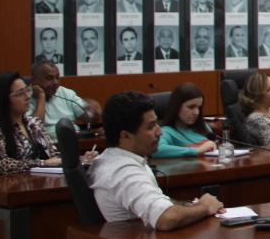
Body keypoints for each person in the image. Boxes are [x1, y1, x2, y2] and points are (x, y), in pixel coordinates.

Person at [88, 91, 224, 230]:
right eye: (151, 126)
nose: (159, 132)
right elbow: (166, 218)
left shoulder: (120, 158)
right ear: (126, 136)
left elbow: (158, 201)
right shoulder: (123, 172)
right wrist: (205, 207)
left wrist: (190, 206)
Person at [0, 72, 66, 174]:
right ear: (4, 99)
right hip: (12, 186)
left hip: (43, 180)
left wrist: (78, 159)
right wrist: (42, 163)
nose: (27, 96)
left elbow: (53, 155)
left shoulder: (34, 123)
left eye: (27, 90)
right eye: (20, 93)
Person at [29, 60, 102, 138]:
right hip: (47, 146)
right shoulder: (25, 98)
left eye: (57, 77)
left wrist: (94, 112)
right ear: (34, 80)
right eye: (49, 78)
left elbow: (89, 118)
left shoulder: (66, 94)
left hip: (74, 141)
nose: (55, 82)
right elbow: (33, 128)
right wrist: (41, 96)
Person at [157, 83, 219, 157]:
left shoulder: (203, 126)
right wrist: (197, 150)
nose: (196, 113)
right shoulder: (167, 131)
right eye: (191, 107)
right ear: (177, 106)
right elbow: (156, 149)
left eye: (199, 107)